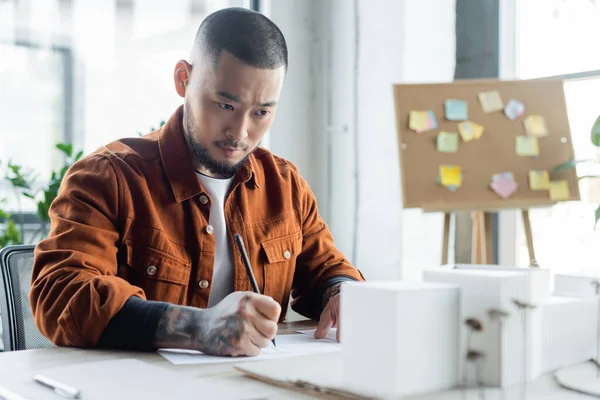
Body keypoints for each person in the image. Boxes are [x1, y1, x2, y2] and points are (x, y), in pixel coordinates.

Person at [30, 7, 364, 357]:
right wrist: (197, 327)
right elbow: (61, 293)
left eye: (262, 112)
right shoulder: (108, 179)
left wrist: (340, 292)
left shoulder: (286, 186)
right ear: (183, 80)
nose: (240, 133)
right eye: (225, 105)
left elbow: (327, 269)